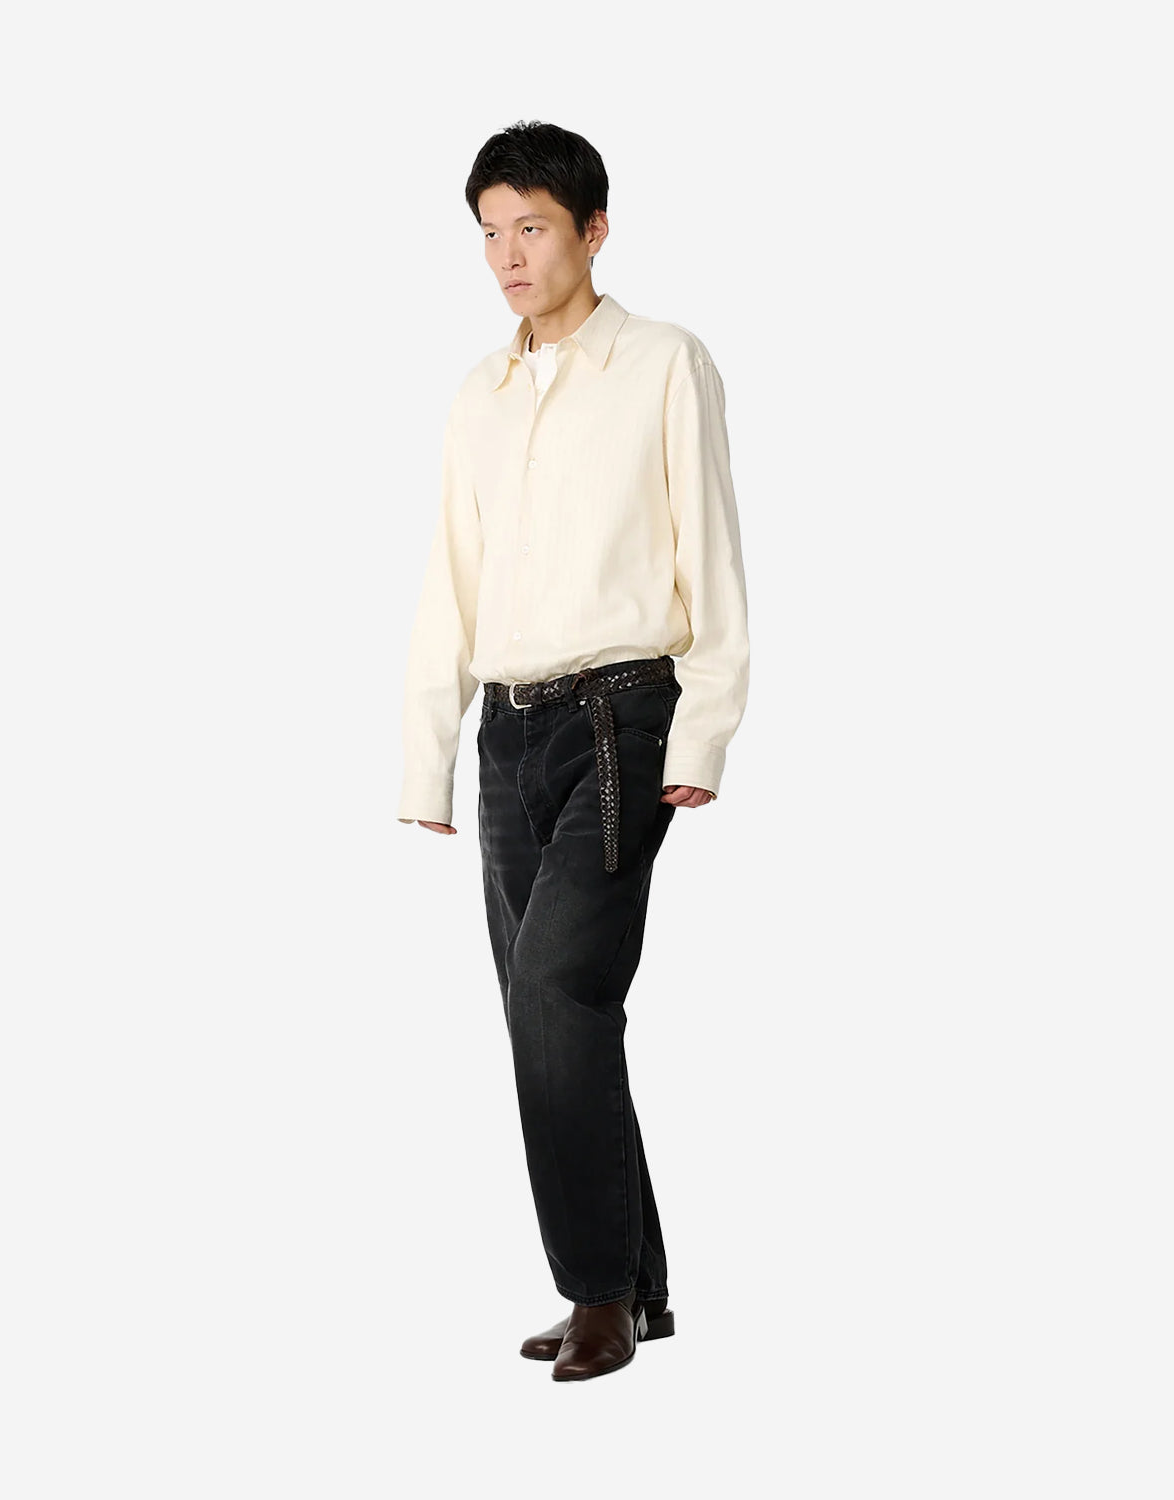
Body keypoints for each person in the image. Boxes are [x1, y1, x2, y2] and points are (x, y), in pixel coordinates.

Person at [396, 119, 750, 1381]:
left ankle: (596, 1292)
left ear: (593, 231)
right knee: (548, 1013)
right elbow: (451, 582)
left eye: (532, 227)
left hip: (621, 718)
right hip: (507, 732)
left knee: (560, 994)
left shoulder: (663, 363)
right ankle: (641, 1284)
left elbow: (712, 553)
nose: (508, 254)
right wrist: (427, 754)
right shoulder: (478, 397)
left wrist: (704, 726)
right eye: (490, 232)